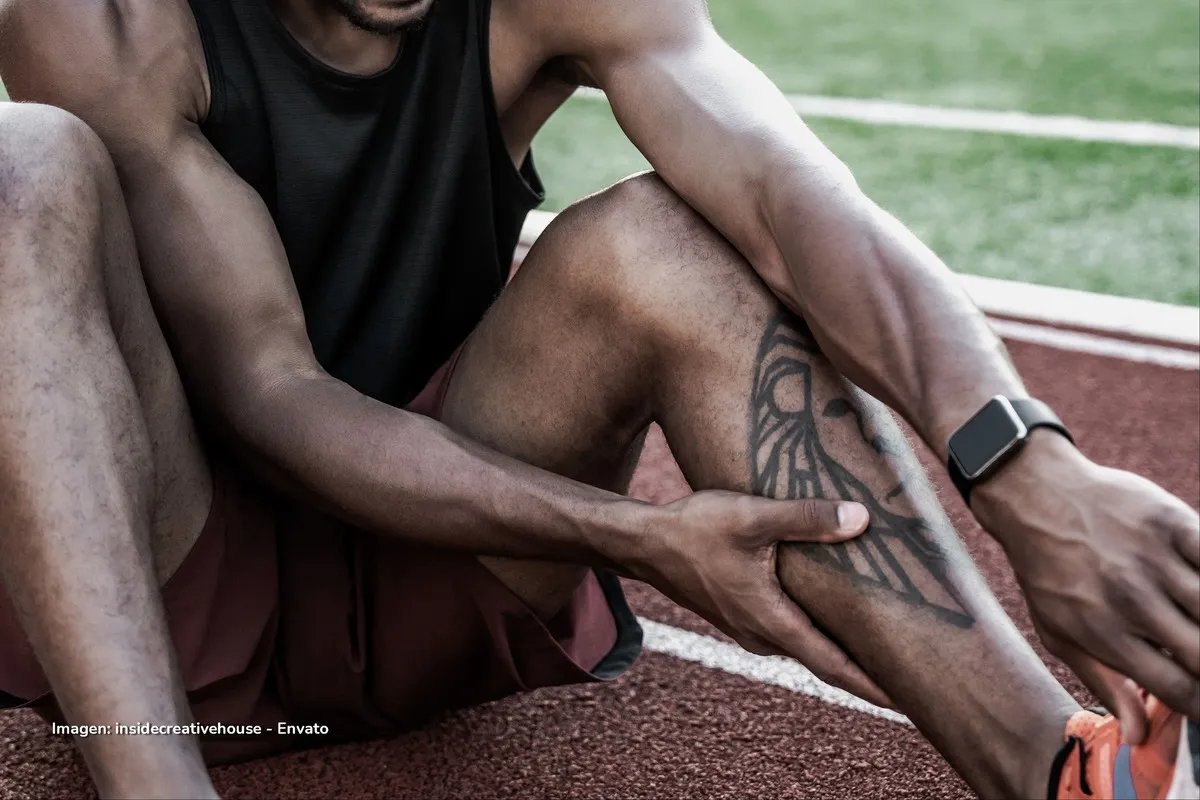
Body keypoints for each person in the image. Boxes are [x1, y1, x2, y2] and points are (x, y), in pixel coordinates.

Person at [0, 0, 1195, 797]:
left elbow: (784, 191)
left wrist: (1027, 469)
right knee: (21, 164)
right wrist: (635, 538)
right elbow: (268, 387)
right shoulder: (100, 20)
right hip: (174, 604)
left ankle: (1072, 774)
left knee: (666, 239)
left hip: (450, 569)